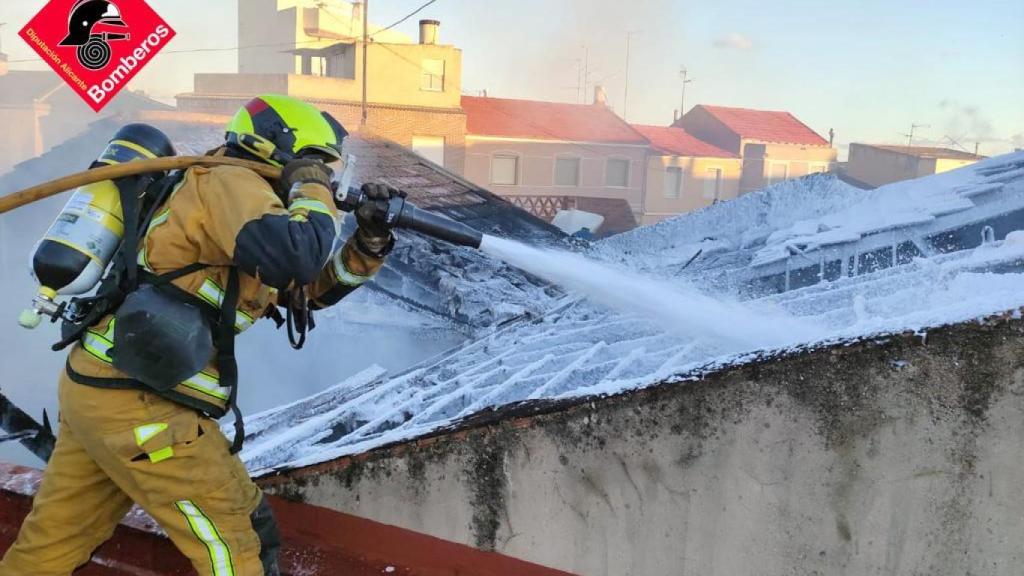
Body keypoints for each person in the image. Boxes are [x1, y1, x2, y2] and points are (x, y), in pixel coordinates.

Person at [0, 94, 397, 576]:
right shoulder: (232, 182)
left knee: (51, 545)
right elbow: (296, 256)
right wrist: (312, 193)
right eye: (317, 163)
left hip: (102, 391)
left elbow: (304, 288)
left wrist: (368, 243)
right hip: (142, 407)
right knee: (234, 542)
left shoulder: (236, 196)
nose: (327, 177)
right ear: (283, 150)